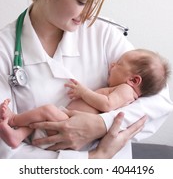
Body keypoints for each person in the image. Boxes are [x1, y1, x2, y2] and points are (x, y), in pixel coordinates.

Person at [0, 0, 172, 159]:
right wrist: (93, 160)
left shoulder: (102, 32)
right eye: (82, 2)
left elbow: (158, 100)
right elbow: (6, 153)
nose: (89, 13)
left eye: (94, 3)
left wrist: (100, 124)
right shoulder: (5, 49)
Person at [0, 48, 170, 149]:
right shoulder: (123, 87)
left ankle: (14, 119)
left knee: (46, 110)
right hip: (66, 120)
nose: (112, 65)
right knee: (42, 116)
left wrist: (84, 92)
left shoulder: (126, 90)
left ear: (133, 80)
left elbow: (108, 104)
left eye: (118, 64)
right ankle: (18, 135)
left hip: (68, 125)